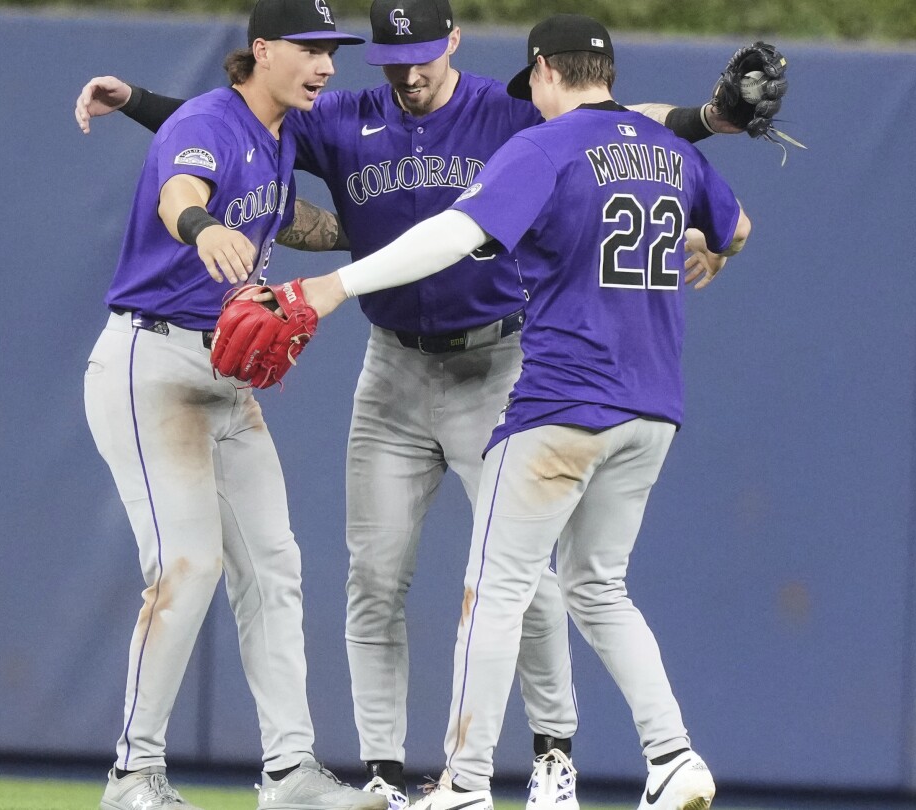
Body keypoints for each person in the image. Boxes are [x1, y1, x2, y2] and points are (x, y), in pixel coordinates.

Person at [76, 7, 759, 809]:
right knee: (392, 579)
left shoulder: (515, 119)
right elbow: (208, 138)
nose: (401, 70)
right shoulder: (330, 117)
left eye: (420, 52)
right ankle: (385, 775)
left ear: (475, 50)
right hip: (374, 366)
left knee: (501, 583)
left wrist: (710, 119)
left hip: (501, 365)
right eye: (379, 55)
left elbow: (598, 129)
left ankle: (515, 769)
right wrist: (151, 122)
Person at [289, 13, 752, 810]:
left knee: (494, 593)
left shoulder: (544, 145)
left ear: (544, 70)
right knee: (599, 588)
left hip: (560, 401)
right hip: (652, 410)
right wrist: (713, 243)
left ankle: (465, 786)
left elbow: (456, 233)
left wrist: (336, 285)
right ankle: (675, 757)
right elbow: (737, 227)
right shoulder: (670, 153)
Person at [81, 2, 387, 809]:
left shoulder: (280, 137)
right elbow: (177, 189)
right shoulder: (211, 121)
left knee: (275, 566)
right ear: (262, 51)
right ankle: (133, 775)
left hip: (221, 376)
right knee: (188, 565)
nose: (326, 64)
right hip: (150, 363)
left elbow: (308, 226)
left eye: (332, 50)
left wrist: (395, 229)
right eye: (311, 48)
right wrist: (198, 222)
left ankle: (290, 774)